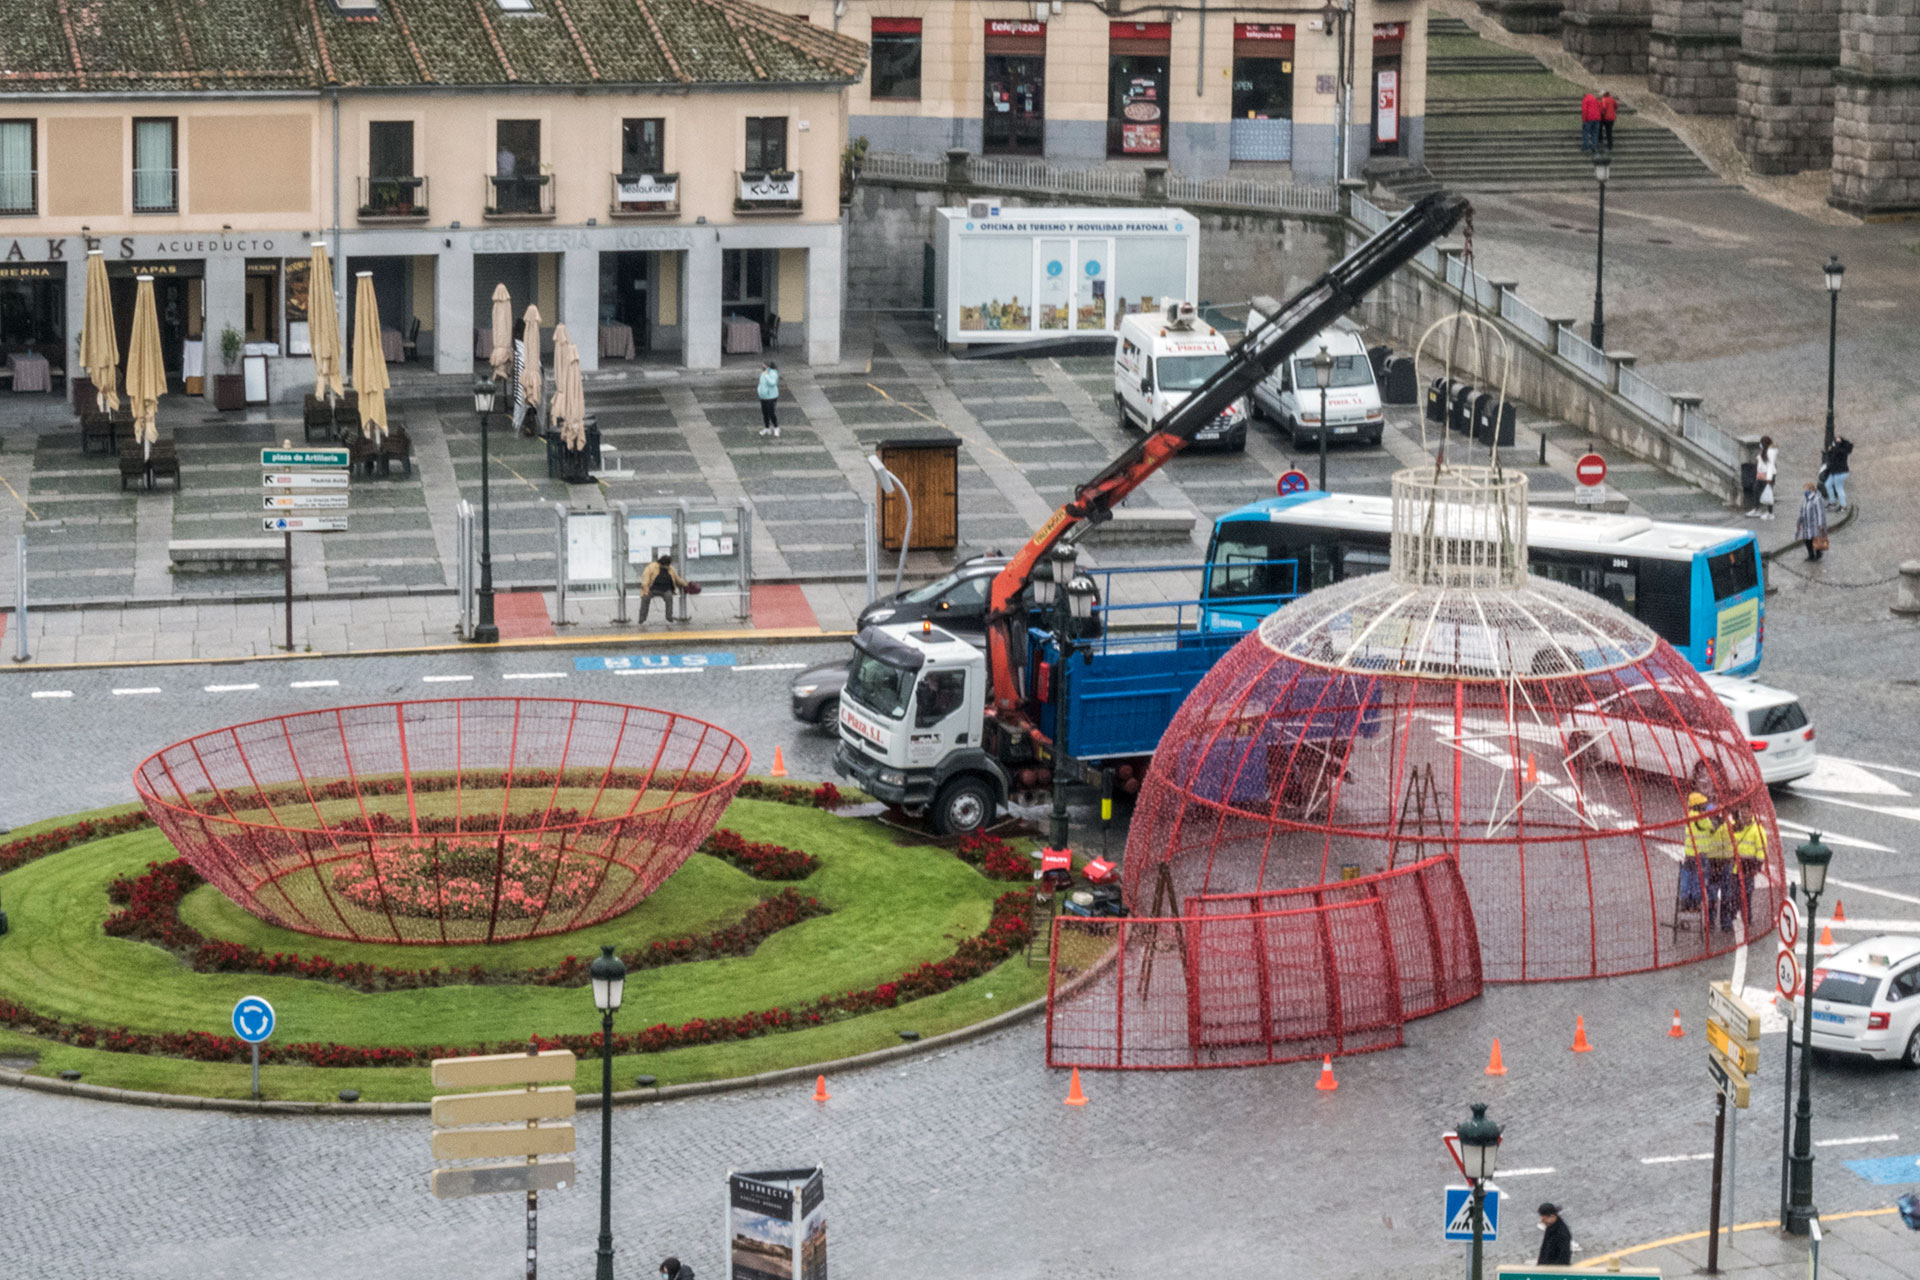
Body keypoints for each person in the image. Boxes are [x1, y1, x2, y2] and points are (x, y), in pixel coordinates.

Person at [637, 552, 690, 624]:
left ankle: (669, 616)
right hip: (652, 589)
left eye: (667, 565)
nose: (666, 567)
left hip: (666, 589)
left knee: (669, 597)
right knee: (645, 598)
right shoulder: (651, 567)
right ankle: (642, 618)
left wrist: (686, 585)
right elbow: (645, 580)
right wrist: (646, 590)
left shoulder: (671, 568)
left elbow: (677, 579)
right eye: (664, 565)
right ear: (660, 563)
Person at [1795, 481, 1829, 561]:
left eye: (1806, 489)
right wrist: (1799, 522)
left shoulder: (1817, 499)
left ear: (1811, 489)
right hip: (1806, 524)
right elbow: (1802, 511)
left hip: (1814, 524)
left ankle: (1818, 554)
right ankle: (1811, 555)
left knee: (1816, 539)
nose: (1805, 491)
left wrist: (1821, 524)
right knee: (1807, 540)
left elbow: (1820, 512)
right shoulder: (1806, 499)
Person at [1748, 435, 1778, 519]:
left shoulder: (1770, 452)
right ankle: (1757, 509)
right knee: (1756, 490)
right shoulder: (1765, 451)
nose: (1760, 445)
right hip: (1762, 475)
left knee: (1768, 493)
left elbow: (1770, 465)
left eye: (1761, 443)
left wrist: (1769, 478)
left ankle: (1770, 513)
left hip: (1767, 475)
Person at [509, 317, 529, 435]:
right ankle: (517, 422)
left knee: (518, 396)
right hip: (523, 370)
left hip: (518, 370)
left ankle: (516, 422)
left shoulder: (515, 342)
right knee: (522, 397)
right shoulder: (524, 344)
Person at [1822, 435, 1852, 509]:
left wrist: (1835, 446)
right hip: (1834, 471)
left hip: (1840, 472)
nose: (1834, 443)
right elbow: (1831, 458)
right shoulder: (1836, 448)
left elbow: (1837, 453)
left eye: (1836, 441)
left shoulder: (1842, 450)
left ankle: (1843, 506)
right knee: (1828, 484)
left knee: (1839, 488)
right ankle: (1832, 502)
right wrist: (1829, 451)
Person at [757, 360, 781, 438]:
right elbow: (761, 383)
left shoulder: (773, 373)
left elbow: (772, 383)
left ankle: (776, 428)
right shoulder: (763, 373)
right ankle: (767, 428)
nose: (762, 366)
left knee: (771, 413)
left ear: (767, 366)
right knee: (765, 413)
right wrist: (759, 390)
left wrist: (767, 375)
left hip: (771, 396)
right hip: (763, 396)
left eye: (763, 365)